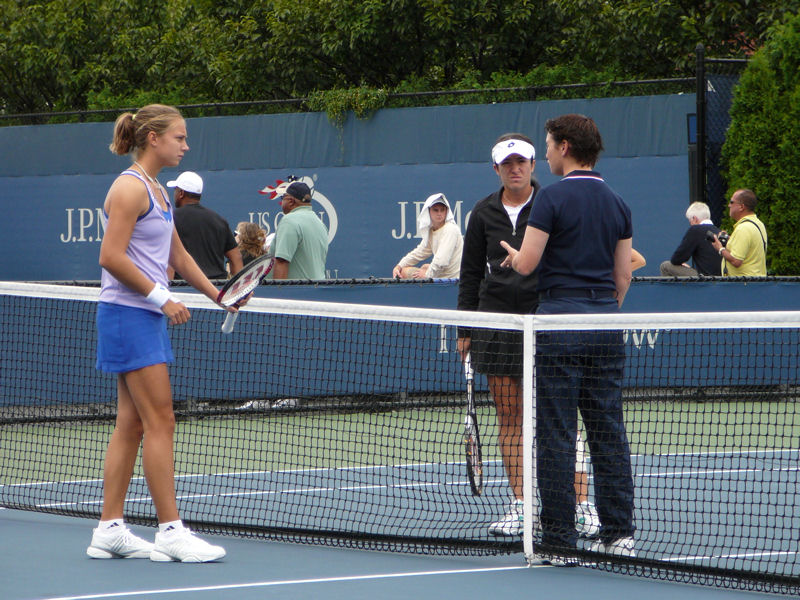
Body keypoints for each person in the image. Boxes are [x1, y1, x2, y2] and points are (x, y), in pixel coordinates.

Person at [88, 104, 232, 563]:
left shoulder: (157, 191)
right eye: (179, 137)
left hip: (138, 315)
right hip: (128, 314)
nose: (186, 146)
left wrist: (219, 295)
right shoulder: (130, 188)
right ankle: (170, 531)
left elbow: (180, 256)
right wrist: (161, 298)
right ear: (153, 138)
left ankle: (109, 528)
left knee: (131, 424)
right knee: (161, 420)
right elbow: (110, 257)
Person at [500, 114, 636, 557]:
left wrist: (513, 255)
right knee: (608, 431)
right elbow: (623, 276)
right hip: (605, 326)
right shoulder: (618, 202)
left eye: (547, 145)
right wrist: (601, 311)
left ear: (564, 147)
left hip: (558, 325)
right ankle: (620, 535)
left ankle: (560, 541)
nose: (546, 154)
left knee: (556, 435)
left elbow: (527, 264)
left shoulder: (551, 198)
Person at [457, 133, 600, 539]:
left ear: (534, 165)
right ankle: (522, 507)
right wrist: (465, 329)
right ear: (496, 169)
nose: (515, 169)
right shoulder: (482, 213)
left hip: (546, 320)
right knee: (509, 416)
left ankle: (581, 506)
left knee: (561, 417)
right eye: (507, 163)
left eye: (522, 162)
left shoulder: (552, 203)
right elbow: (470, 274)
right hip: (496, 324)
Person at [168, 171, 243, 280]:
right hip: (216, 287)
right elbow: (236, 257)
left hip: (183, 287)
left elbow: (168, 260)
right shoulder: (219, 220)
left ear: (181, 193)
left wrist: (168, 287)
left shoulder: (170, 219)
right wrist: (238, 288)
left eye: (175, 190)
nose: (174, 194)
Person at [392, 193, 463, 279]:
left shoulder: (450, 229)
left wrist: (427, 275)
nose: (439, 213)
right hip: (439, 275)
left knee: (404, 272)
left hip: (452, 280)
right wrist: (399, 266)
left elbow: (441, 261)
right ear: (428, 211)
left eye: (442, 210)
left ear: (446, 211)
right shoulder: (431, 231)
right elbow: (419, 252)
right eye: (436, 210)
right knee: (423, 267)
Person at [271, 181, 329, 280]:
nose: (282, 201)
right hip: (317, 288)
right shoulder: (320, 224)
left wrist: (278, 290)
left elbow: (282, 262)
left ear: (291, 201)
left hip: (296, 289)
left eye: (283, 197)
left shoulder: (289, 221)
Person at [709, 189, 767, 277]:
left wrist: (720, 248)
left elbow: (736, 261)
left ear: (741, 207)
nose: (729, 205)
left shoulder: (743, 228)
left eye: (732, 202)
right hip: (755, 281)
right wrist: (729, 239)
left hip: (743, 283)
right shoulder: (758, 224)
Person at [659, 202, 721, 277]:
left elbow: (676, 259)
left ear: (694, 219)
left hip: (704, 278)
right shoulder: (719, 231)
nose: (690, 224)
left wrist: (683, 266)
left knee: (665, 266)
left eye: (690, 221)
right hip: (720, 278)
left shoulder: (695, 230)